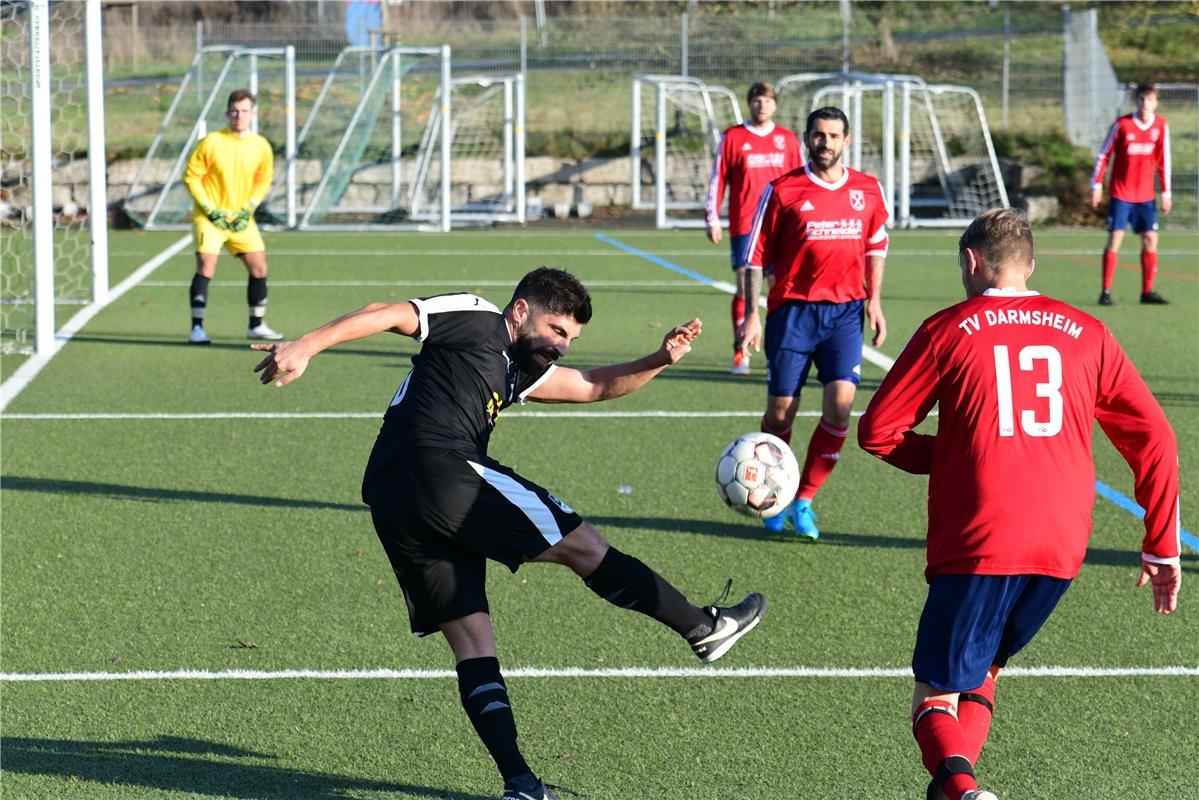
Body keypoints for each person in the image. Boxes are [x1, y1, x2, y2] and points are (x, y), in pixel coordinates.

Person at [251, 267, 767, 800]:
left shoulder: (520, 368)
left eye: (570, 338)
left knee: (473, 638)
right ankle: (703, 628)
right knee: (583, 545)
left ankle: (520, 784)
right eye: (557, 330)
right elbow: (386, 314)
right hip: (440, 468)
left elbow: (593, 385)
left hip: (392, 493)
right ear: (520, 311)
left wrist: (660, 359)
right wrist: (308, 345)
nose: (562, 346)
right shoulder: (476, 317)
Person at [858, 208, 1181, 800]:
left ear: (970, 262)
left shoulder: (946, 329)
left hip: (984, 537)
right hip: (1061, 545)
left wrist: (958, 455)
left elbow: (878, 431)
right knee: (983, 672)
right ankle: (957, 787)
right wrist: (1162, 544)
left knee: (933, 694)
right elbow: (1155, 437)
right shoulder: (1089, 332)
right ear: (1031, 266)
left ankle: (962, 791)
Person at [736, 106, 890, 539]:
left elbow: (876, 244)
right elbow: (754, 257)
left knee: (840, 410)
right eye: (818, 135)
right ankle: (773, 494)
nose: (826, 143)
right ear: (807, 138)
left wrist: (874, 301)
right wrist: (752, 314)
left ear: (847, 140)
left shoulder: (868, 190)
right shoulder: (783, 190)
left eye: (834, 136)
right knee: (781, 413)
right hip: (792, 313)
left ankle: (803, 498)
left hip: (845, 314)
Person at [704, 81, 802, 375]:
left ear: (775, 105)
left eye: (768, 101)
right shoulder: (734, 137)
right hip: (746, 224)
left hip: (782, 227)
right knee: (746, 287)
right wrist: (713, 217)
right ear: (750, 103)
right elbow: (718, 178)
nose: (762, 105)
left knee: (779, 290)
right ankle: (741, 350)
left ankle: (775, 354)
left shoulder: (787, 139)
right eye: (757, 100)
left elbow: (800, 181)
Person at [183, 88, 282, 345]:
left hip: (241, 218)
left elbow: (263, 181)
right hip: (210, 218)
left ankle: (256, 325)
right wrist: (211, 210)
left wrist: (248, 208)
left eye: (245, 111)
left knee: (259, 266)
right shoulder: (212, 142)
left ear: (253, 113)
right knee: (206, 265)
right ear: (227, 112)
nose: (239, 115)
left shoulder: (261, 145)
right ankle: (197, 328)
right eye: (235, 111)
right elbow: (192, 177)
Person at [1090, 82, 1172, 306]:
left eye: (1150, 100)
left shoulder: (1161, 126)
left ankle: (1147, 292)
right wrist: (1096, 185)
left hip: (1146, 196)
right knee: (1116, 237)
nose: (1145, 104)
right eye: (1142, 100)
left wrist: (1166, 192)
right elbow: (1103, 155)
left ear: (1156, 103)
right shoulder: (1123, 124)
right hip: (1121, 193)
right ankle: (1105, 292)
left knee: (1150, 239)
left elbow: (1164, 162)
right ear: (1136, 101)